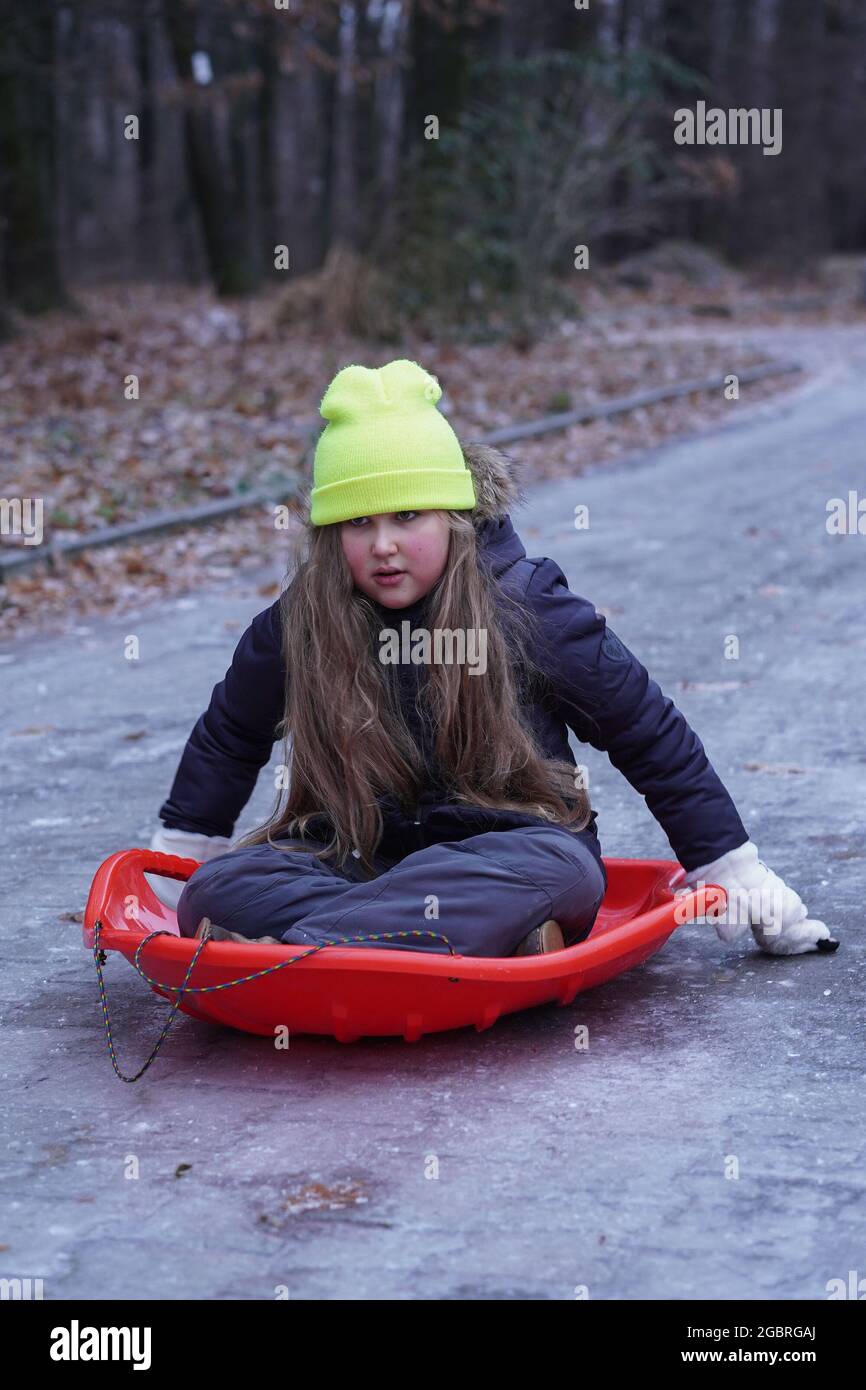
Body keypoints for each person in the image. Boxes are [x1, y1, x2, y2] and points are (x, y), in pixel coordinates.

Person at [150, 358, 836, 959]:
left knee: (559, 873)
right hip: (361, 857)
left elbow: (646, 732)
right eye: (359, 523)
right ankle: (441, 939)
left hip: (507, 850)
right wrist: (183, 854)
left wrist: (731, 867)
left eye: (407, 517)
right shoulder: (305, 621)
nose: (383, 544)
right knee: (221, 890)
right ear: (333, 538)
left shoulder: (525, 605)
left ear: (452, 515)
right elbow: (231, 732)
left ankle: (310, 952)